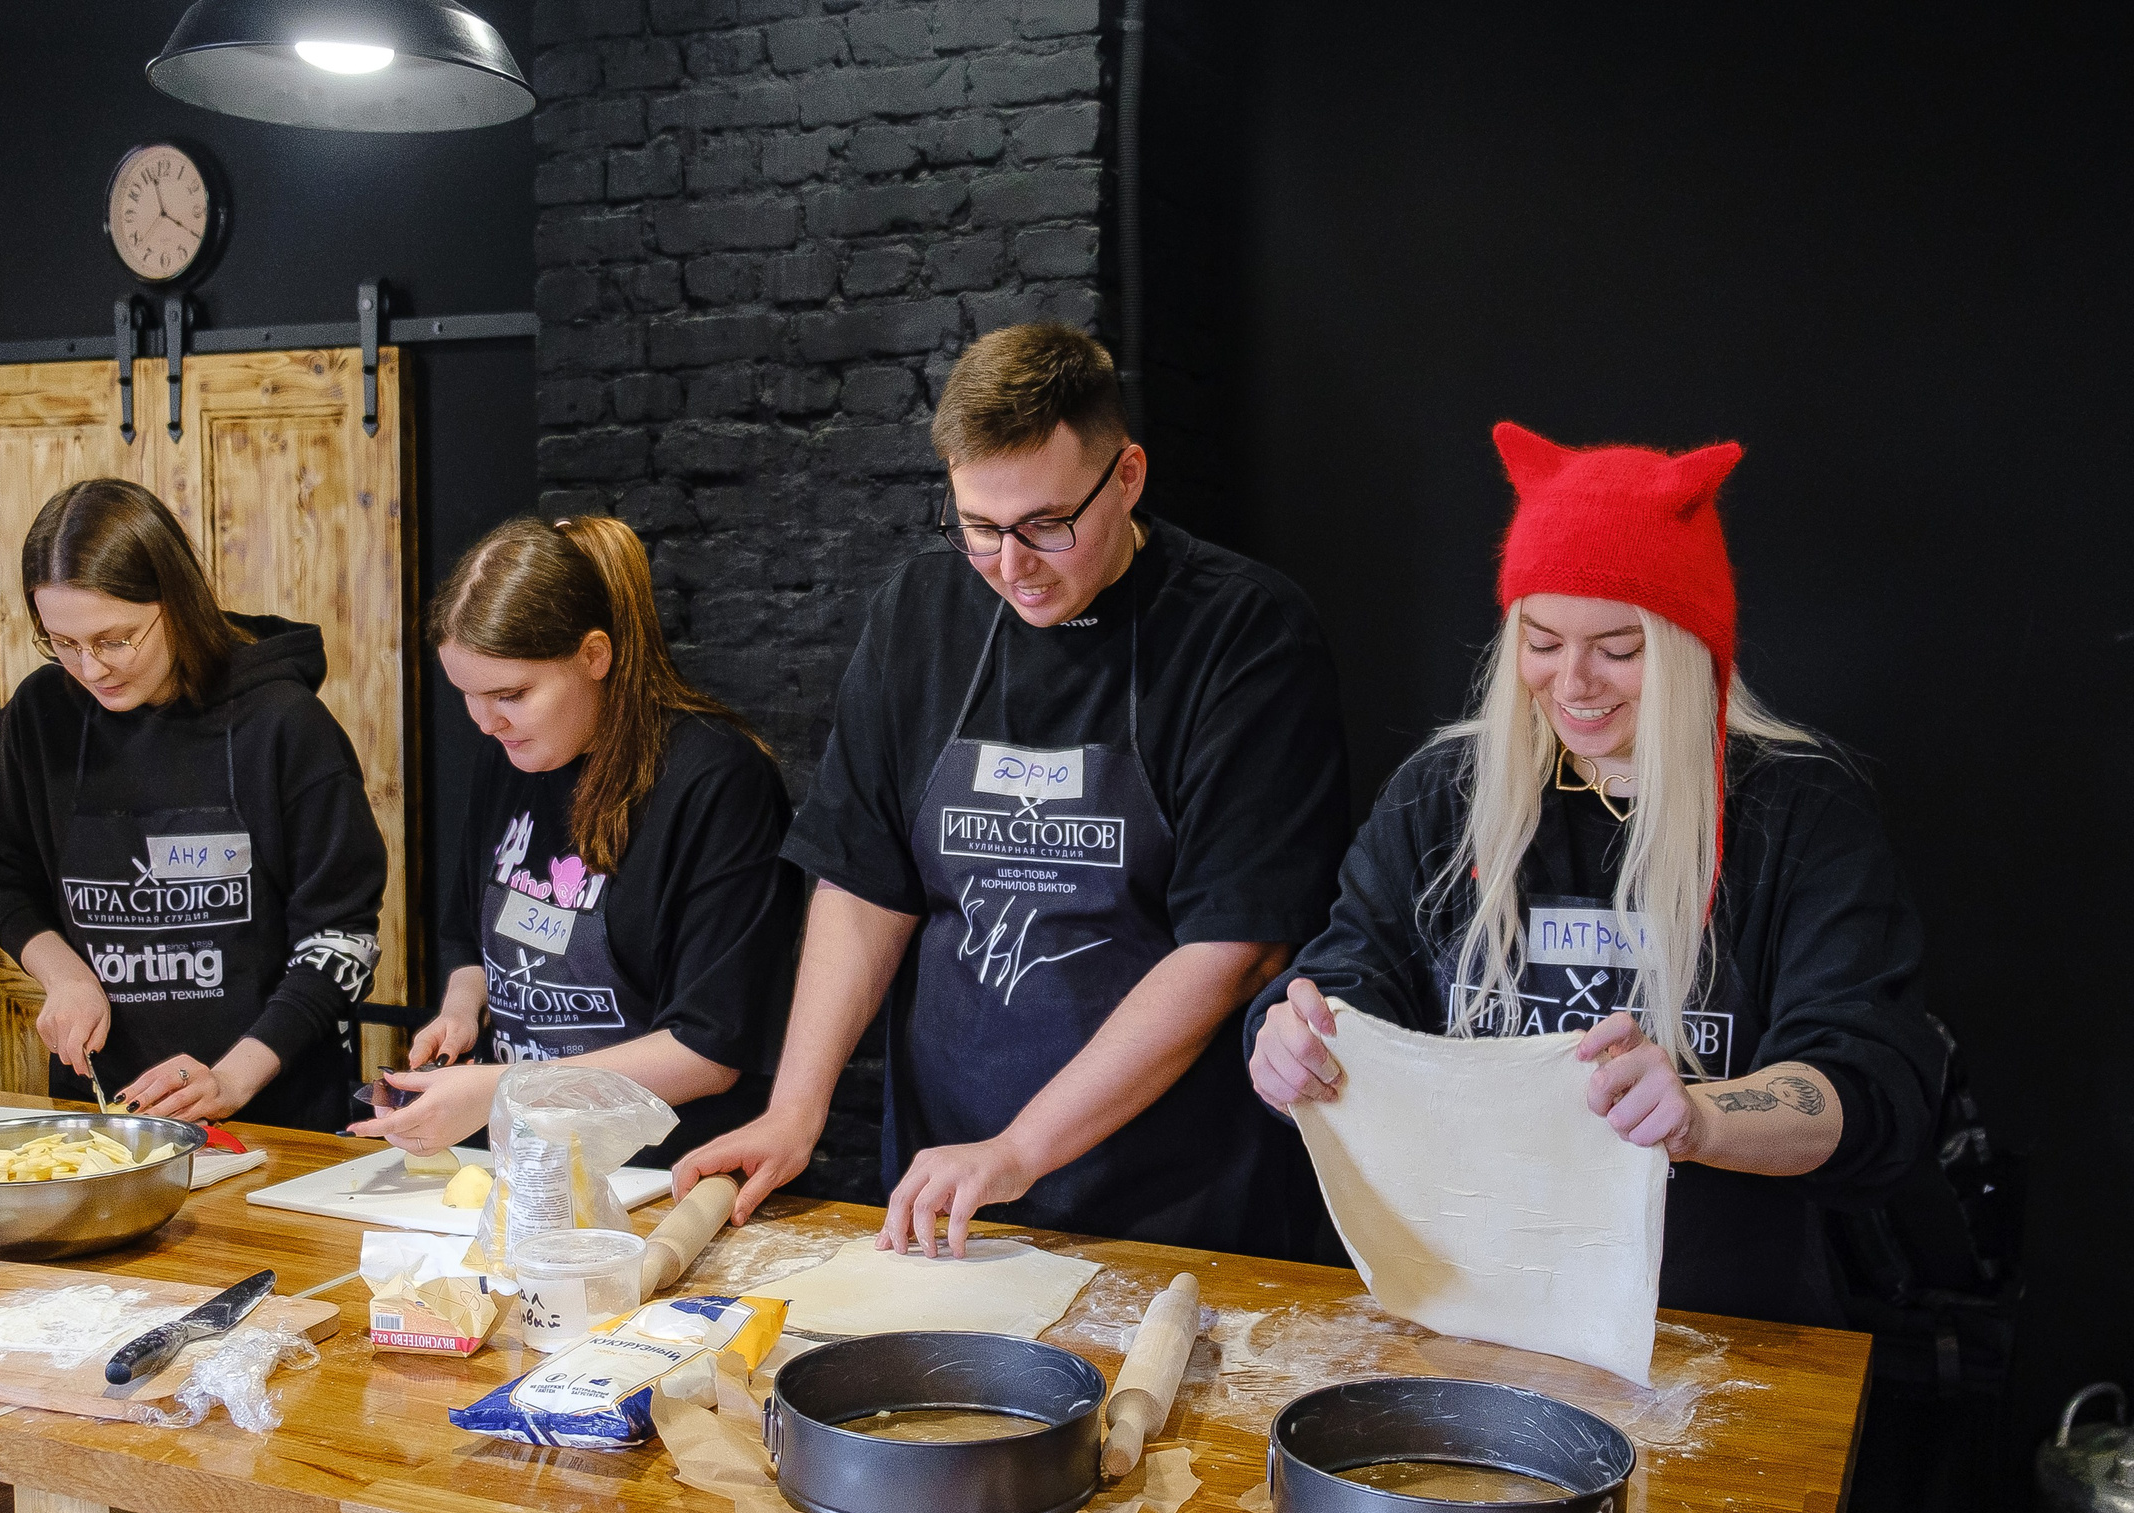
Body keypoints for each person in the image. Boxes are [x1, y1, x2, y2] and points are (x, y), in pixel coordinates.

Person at [677, 322, 1353, 1256]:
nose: (1011, 566)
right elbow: (866, 883)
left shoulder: (1243, 636)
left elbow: (1236, 948)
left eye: (1045, 525)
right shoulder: (919, 614)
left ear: (1127, 477)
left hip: (1174, 1205)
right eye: (979, 529)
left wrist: (1023, 1147)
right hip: (947, 1187)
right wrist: (797, 1109)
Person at [1247, 422, 1940, 1327]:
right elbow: (1345, 981)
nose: (1573, 682)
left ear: (1691, 645)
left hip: (1720, 1327)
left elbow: (1871, 1084)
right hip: (1466, 1305)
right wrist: (1290, 1043)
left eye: (1618, 648)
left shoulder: (1800, 815)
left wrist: (1701, 1118)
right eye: (1541, 640)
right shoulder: (1442, 796)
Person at [348, 515, 797, 1166]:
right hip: (526, 1162)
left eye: (510, 694)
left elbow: (708, 1052)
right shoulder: (508, 755)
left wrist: (501, 1089)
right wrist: (461, 1010)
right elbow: (466, 940)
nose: (486, 722)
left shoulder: (718, 783)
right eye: (467, 696)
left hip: (663, 1170)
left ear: (594, 655)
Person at [0, 479, 386, 1132]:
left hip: (274, 1118)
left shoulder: (282, 724)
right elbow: (6, 877)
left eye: (115, 639)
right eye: (64, 643)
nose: (92, 668)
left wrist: (232, 1078)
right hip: (108, 1114)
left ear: (176, 600)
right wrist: (65, 976)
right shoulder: (39, 716)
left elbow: (341, 940)